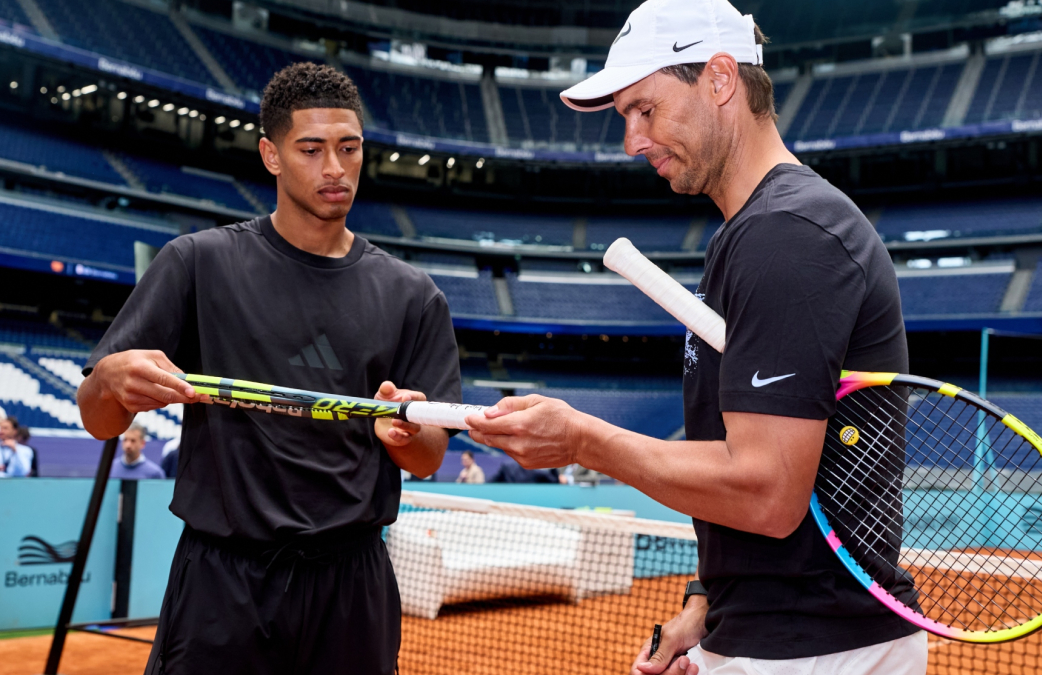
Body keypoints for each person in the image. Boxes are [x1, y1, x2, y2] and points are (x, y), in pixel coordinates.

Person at [465, 1, 922, 674]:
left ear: (719, 79)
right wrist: (707, 603)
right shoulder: (753, 235)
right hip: (778, 635)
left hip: (814, 650)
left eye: (645, 109)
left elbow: (767, 491)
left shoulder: (786, 236)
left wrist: (582, 440)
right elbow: (756, 467)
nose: (632, 141)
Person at [76, 63, 461, 675]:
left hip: (353, 586)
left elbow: (428, 457)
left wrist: (406, 434)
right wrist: (108, 381)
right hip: (222, 585)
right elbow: (99, 420)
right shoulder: (196, 263)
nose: (335, 168)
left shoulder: (413, 295)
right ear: (271, 155)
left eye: (350, 148)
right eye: (311, 149)